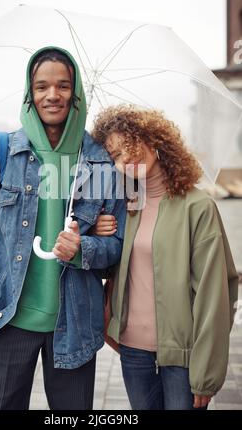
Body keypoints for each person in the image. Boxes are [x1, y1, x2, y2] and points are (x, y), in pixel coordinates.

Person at [0, 47, 126, 410]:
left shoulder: (99, 161)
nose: (52, 95)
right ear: (30, 93)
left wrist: (84, 251)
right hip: (8, 318)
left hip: (75, 324)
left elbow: (119, 246)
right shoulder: (0, 151)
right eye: (42, 86)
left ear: (75, 93)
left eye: (63, 85)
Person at [91, 104, 238, 410]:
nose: (126, 157)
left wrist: (207, 372)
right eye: (115, 155)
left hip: (183, 355)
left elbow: (216, 294)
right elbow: (111, 271)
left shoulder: (198, 207)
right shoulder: (123, 208)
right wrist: (97, 234)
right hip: (132, 350)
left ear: (155, 140)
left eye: (131, 144)